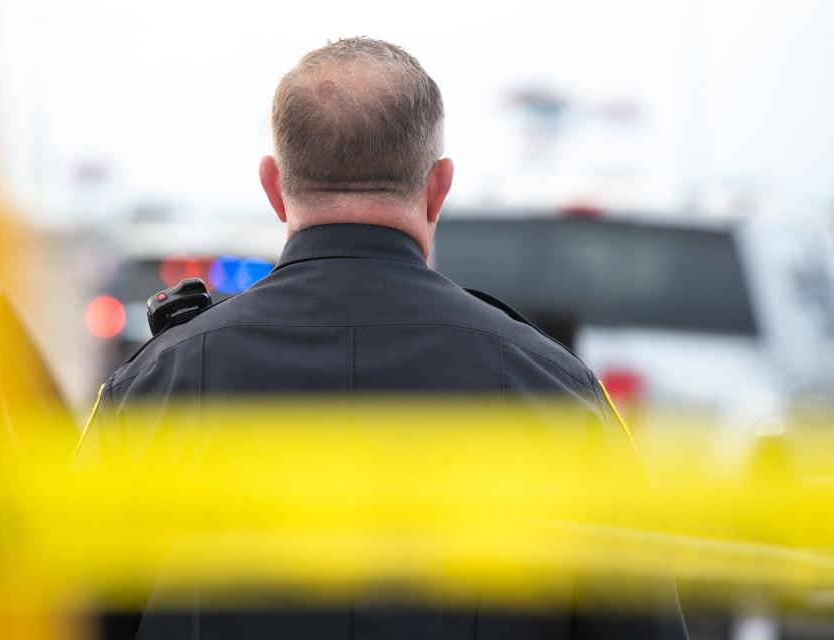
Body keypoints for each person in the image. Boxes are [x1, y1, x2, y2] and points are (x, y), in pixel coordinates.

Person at [76, 37, 688, 639]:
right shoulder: (557, 389)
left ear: (273, 187)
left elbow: (56, 616)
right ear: (438, 187)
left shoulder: (155, 387)